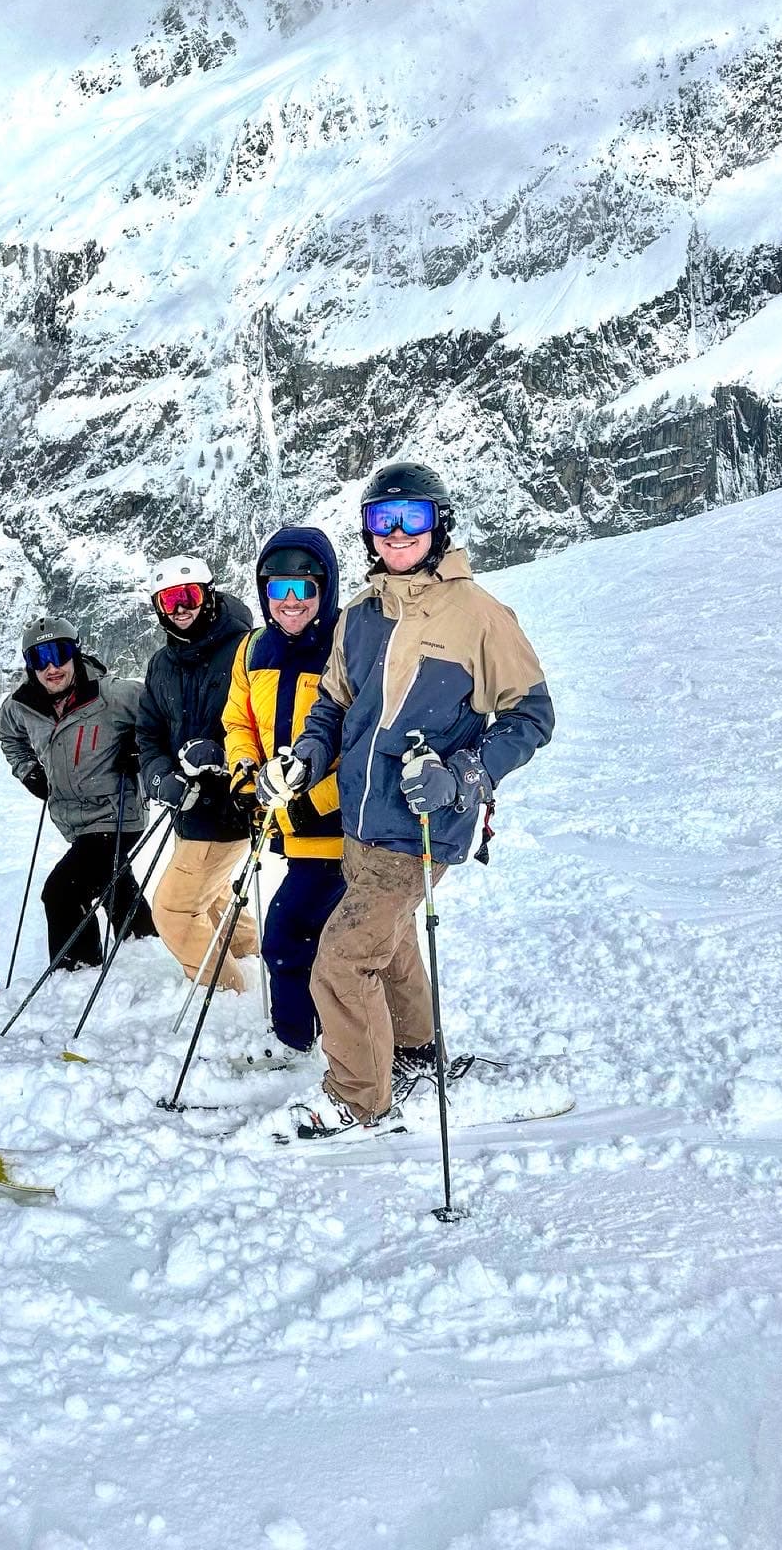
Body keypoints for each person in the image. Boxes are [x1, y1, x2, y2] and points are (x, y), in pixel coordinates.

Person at [257, 462, 554, 1139]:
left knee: (341, 956)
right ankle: (416, 1052)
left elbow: (530, 715)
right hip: (359, 823)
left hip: (421, 823)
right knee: (386, 946)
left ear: (438, 524)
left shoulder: (478, 615)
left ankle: (358, 1097)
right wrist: (308, 753)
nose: (395, 534)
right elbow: (334, 703)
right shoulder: (361, 615)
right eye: (381, 521)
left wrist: (466, 774)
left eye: (411, 519)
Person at [222, 527, 345, 1058]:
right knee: (311, 942)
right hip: (287, 826)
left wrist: (312, 800)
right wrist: (244, 773)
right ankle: (315, 1043)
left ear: (326, 589)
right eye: (278, 590)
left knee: (291, 939)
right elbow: (238, 721)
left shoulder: (347, 647)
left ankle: (302, 1046)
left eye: (304, 589)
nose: (291, 604)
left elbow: (363, 744)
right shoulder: (253, 648)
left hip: (343, 830)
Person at [0, 616, 155, 971]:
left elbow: (162, 713)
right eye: (40, 658)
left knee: (63, 892)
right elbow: (6, 732)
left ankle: (75, 975)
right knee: (112, 878)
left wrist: (141, 748)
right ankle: (146, 943)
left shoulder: (111, 694)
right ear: (29, 665)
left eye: (60, 653)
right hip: (72, 819)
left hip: (117, 813)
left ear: (75, 654)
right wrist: (27, 770)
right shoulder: (22, 705)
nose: (52, 667)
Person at [136, 554, 259, 992]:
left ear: (209, 595)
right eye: (169, 601)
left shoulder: (247, 648)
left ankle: (228, 992)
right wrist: (160, 778)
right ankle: (252, 959)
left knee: (172, 911)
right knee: (215, 894)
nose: (180, 608)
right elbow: (148, 734)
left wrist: (222, 754)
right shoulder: (162, 665)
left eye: (188, 596)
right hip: (187, 812)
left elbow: (266, 723)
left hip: (228, 808)